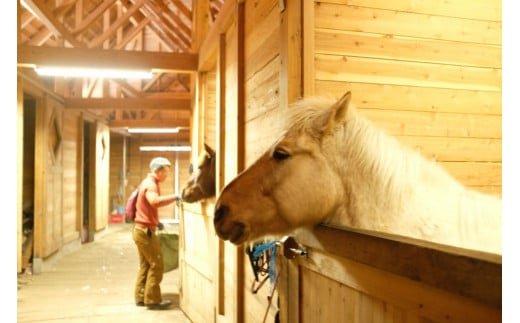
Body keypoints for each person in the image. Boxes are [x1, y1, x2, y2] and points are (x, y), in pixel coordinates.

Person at [133, 157, 180, 310]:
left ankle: (141, 297)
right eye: (165, 172)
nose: (166, 175)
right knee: (156, 265)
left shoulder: (146, 183)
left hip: (140, 229)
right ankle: (152, 300)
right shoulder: (151, 184)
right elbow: (154, 201)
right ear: (156, 170)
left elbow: (148, 206)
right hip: (145, 232)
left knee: (145, 265)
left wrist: (154, 220)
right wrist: (175, 197)